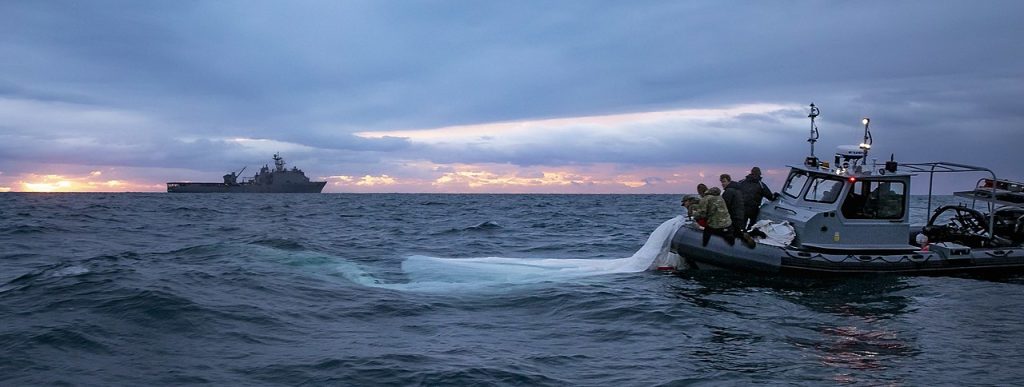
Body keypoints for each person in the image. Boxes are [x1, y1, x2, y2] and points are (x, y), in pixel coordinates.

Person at [721, 174, 756, 247]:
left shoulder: (729, 191)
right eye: (721, 182)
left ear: (729, 181)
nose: (722, 184)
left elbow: (723, 206)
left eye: (724, 181)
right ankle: (746, 237)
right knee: (737, 232)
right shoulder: (737, 190)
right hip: (739, 217)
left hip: (733, 218)